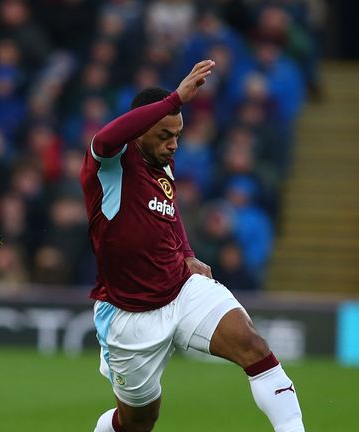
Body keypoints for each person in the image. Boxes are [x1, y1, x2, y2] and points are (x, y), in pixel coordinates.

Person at [81, 60, 304, 432]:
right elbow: (105, 137)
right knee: (138, 421)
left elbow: (170, 211)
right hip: (127, 314)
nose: (174, 144)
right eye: (165, 134)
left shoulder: (162, 163)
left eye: (178, 135)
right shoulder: (109, 165)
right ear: (139, 130)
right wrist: (174, 98)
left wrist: (186, 253)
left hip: (181, 290)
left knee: (253, 346)